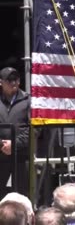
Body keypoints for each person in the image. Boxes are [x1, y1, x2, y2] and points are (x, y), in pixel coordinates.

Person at [0, 67, 30, 198]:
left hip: (22, 156)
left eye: (16, 79)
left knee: (22, 194)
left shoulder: (28, 101)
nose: (14, 82)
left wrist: (15, 145)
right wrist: (1, 145)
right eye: (9, 80)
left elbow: (33, 128)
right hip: (1, 155)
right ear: (1, 82)